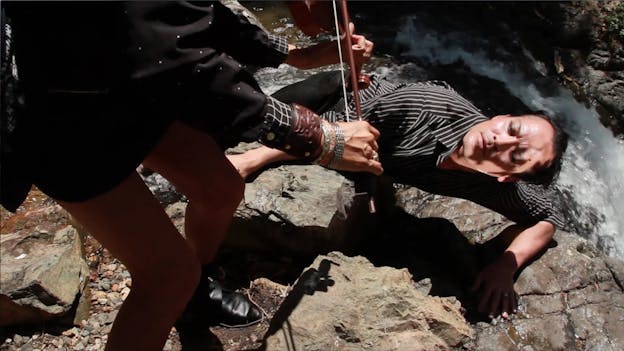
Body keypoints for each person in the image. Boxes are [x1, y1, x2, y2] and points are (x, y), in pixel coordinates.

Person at [0, 2, 381, 350]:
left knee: (220, 190)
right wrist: (315, 135)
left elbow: (190, 13)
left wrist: (294, 54)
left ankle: (192, 297)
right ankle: (179, 288)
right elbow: (167, 52)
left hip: (125, 85)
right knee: (167, 276)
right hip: (58, 112)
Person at [227, 71, 569, 320]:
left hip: (377, 152)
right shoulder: (425, 107)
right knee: (241, 122)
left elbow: (547, 216)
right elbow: (324, 133)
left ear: (509, 176)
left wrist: (505, 266)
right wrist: (256, 157)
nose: (500, 141)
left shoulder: (493, 183)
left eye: (517, 155)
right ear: (503, 117)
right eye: (512, 130)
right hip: (335, 102)